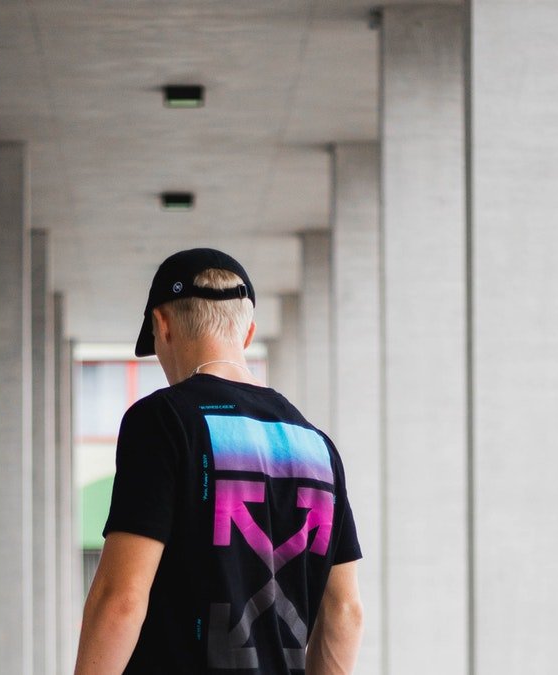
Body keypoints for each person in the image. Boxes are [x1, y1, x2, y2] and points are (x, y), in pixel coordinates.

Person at [74, 248, 364, 674]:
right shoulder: (316, 446)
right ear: (247, 333)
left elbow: (121, 598)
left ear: (162, 325)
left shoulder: (163, 420)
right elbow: (345, 611)